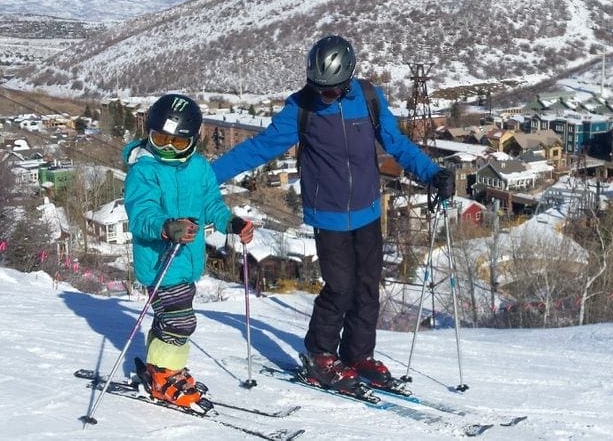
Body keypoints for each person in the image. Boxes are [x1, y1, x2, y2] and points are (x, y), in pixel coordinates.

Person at [212, 35, 455, 392]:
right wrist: (204, 178)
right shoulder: (301, 108)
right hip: (327, 215)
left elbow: (397, 144)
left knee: (368, 288)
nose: (323, 96)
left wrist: (433, 174)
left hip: (369, 211)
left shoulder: (369, 99)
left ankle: (357, 355)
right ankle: (320, 354)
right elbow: (258, 149)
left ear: (348, 81)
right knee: (340, 288)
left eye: (331, 91)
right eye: (318, 89)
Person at [123, 93, 254, 408]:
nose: (167, 148)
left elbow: (211, 205)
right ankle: (165, 374)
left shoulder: (199, 167)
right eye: (159, 139)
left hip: (188, 260)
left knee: (170, 318)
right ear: (149, 132)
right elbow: (141, 214)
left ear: (193, 141)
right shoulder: (143, 170)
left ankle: (161, 367)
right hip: (159, 262)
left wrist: (232, 223)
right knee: (182, 321)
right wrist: (166, 227)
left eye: (177, 143)